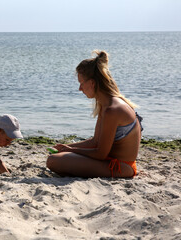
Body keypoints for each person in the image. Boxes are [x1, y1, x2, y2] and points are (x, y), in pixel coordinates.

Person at [46, 50, 143, 178]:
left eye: (81, 83)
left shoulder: (112, 110)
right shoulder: (105, 105)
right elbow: (95, 141)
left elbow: (100, 153)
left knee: (54, 161)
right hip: (112, 162)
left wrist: (71, 150)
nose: (80, 89)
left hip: (121, 167)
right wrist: (66, 147)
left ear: (92, 83)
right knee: (56, 156)